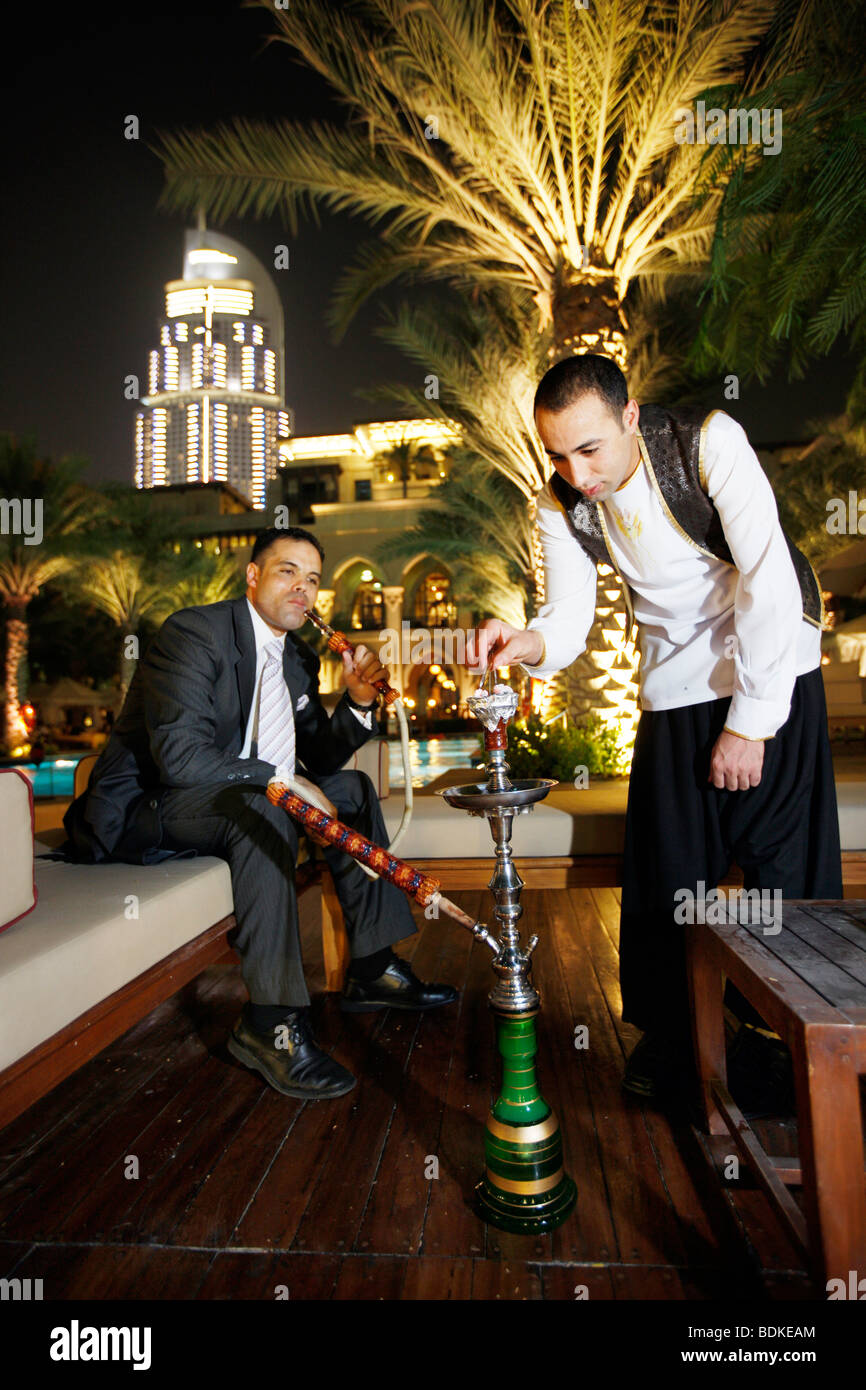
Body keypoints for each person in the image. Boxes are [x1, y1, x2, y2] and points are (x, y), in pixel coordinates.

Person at [468, 354, 842, 1112]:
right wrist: (525, 640)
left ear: (630, 416)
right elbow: (567, 618)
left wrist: (751, 723)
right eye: (559, 455)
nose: (577, 471)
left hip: (773, 662)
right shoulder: (561, 501)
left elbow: (769, 578)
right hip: (674, 682)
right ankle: (675, 1039)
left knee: (786, 871)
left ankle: (790, 1047)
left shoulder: (709, 443)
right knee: (667, 873)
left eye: (590, 448)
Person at [63, 526, 457, 1101]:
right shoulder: (195, 634)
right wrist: (279, 780)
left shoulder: (297, 658)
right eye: (287, 571)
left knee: (348, 788)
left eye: (314, 579)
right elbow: (180, 757)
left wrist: (359, 701)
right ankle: (270, 1023)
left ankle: (372, 968)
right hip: (158, 805)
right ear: (252, 576)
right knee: (266, 800)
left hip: (240, 797)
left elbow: (319, 755)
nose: (303, 588)